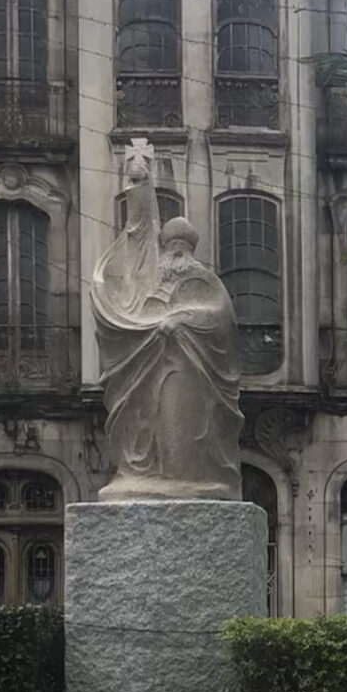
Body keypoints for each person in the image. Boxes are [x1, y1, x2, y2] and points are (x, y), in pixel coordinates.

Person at [92, 141, 244, 499]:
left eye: (181, 246)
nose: (176, 253)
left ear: (189, 248)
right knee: (148, 426)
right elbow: (140, 230)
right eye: (172, 245)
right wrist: (139, 182)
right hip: (148, 368)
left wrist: (178, 320)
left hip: (188, 372)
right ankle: (147, 474)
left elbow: (219, 316)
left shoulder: (202, 279)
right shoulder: (153, 275)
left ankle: (185, 478)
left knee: (182, 426)